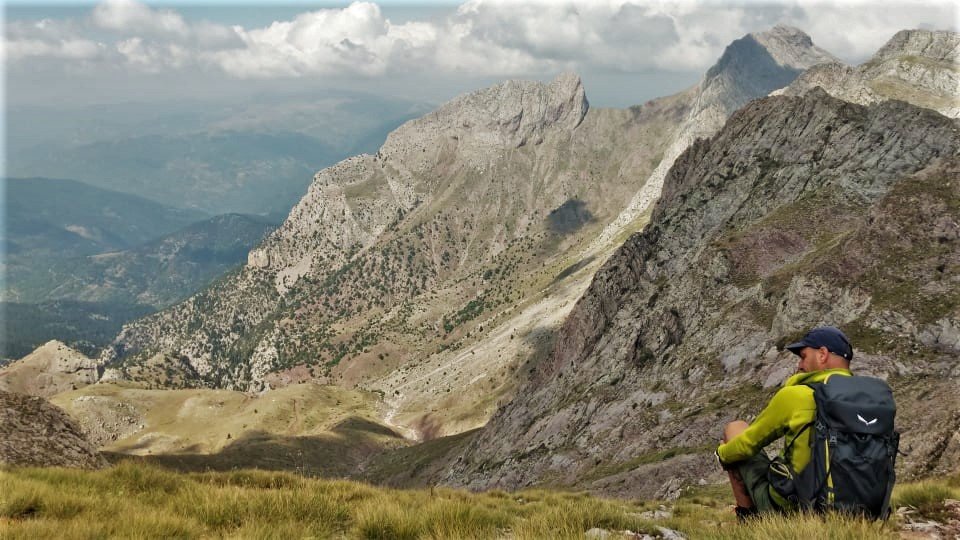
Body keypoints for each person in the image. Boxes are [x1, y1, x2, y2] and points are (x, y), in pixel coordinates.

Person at [715, 326, 855, 520]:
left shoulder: (797, 395)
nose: (799, 365)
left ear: (822, 354)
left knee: (734, 431)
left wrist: (721, 454)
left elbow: (747, 445)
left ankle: (749, 520)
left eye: (804, 356)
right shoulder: (870, 400)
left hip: (796, 508)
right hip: (856, 507)